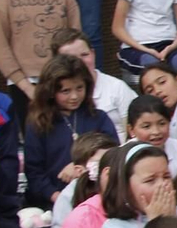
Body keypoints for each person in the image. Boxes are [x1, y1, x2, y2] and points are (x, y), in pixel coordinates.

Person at [23, 54, 114, 210]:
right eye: (66, 91)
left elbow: (113, 155)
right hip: (53, 202)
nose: (74, 96)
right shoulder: (38, 124)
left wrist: (81, 164)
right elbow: (34, 173)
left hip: (100, 200)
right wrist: (59, 198)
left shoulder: (99, 117)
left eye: (79, 88)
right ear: (51, 92)